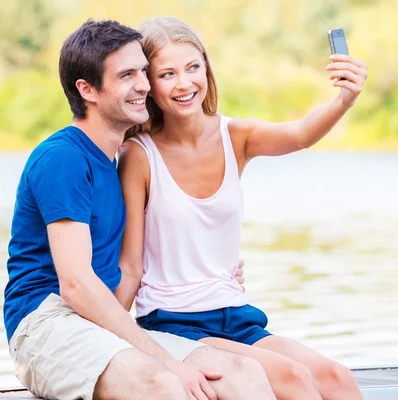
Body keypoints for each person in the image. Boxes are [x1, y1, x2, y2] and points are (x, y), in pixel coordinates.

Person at [3, 18, 276, 400]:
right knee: (163, 381)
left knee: (240, 374)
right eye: (127, 75)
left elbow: (139, 257)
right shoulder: (63, 159)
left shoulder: (121, 162)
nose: (145, 85)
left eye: (144, 72)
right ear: (87, 90)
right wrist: (166, 359)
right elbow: (77, 284)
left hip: (96, 319)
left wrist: (215, 267)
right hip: (47, 321)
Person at [117, 17, 369, 400]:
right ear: (149, 85)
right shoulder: (139, 156)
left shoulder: (235, 136)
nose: (184, 84)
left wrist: (344, 98)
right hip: (173, 323)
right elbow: (130, 265)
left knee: (335, 377)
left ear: (206, 68)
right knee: (291, 377)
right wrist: (110, 331)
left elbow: (300, 134)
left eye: (192, 68)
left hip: (235, 313)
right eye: (167, 74)